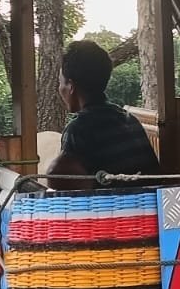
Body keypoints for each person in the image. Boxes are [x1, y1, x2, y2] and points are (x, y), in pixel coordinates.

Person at [44, 40, 161, 190]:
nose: (59, 89)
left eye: (60, 82)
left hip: (115, 209)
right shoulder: (129, 119)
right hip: (147, 205)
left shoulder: (79, 129)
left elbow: (55, 176)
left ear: (71, 86)